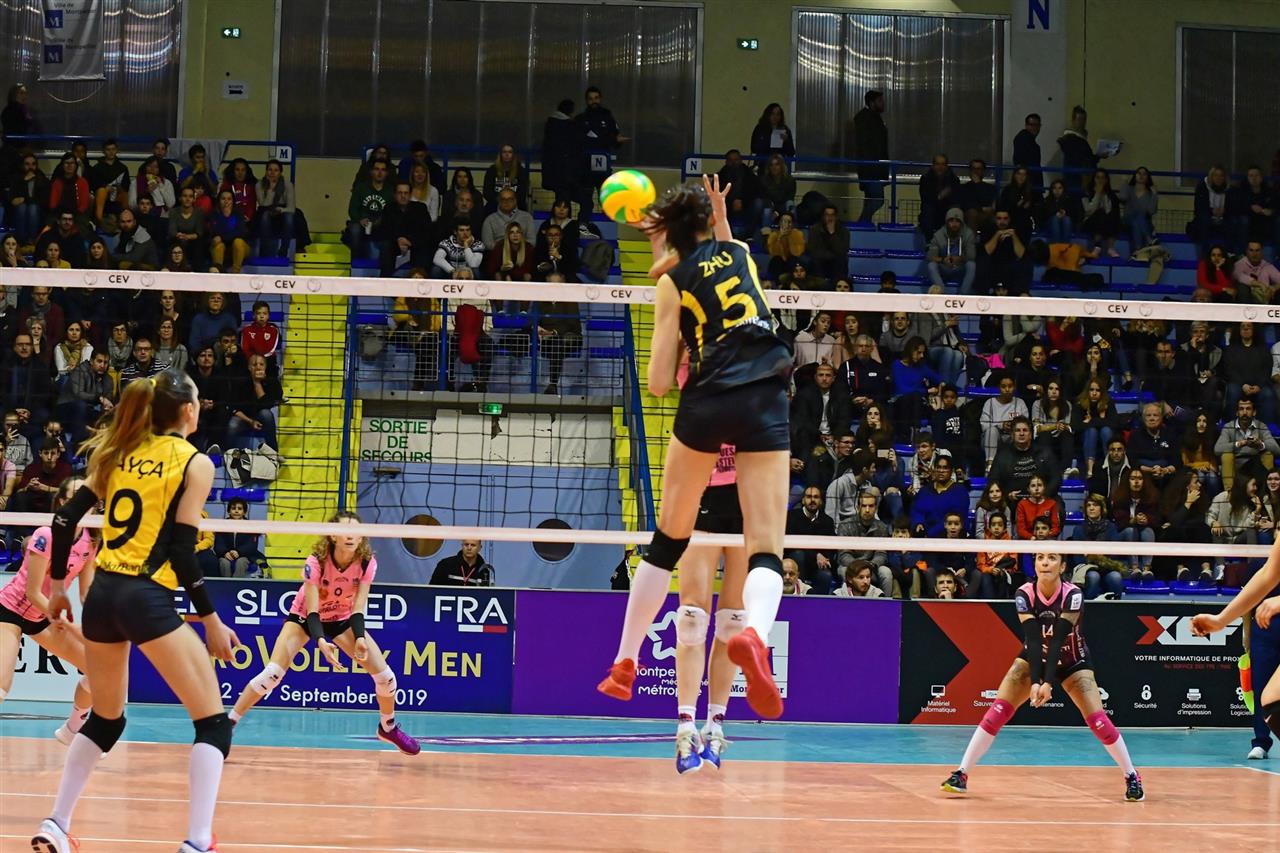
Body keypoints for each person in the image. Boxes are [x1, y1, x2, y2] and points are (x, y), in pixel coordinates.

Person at [598, 176, 791, 720]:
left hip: (709, 397)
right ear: (709, 224)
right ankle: (756, 635)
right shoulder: (742, 254)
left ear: (667, 233)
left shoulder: (672, 281)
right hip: (766, 393)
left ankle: (625, 661)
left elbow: (660, 382)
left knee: (667, 541)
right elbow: (718, 251)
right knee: (766, 548)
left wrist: (680, 323)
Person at [30, 370, 239, 853]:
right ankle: (198, 841)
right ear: (188, 410)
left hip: (102, 596)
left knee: (107, 719)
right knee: (212, 723)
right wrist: (210, 619)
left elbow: (64, 519)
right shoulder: (195, 462)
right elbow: (183, 552)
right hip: (145, 596)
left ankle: (56, 823)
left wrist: (58, 587)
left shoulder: (120, 451)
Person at [941, 551, 1143, 802]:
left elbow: (1057, 639)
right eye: (1040, 558)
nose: (1045, 562)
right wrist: (1036, 681)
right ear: (1035, 564)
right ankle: (961, 774)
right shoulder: (1024, 593)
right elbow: (1034, 640)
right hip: (1034, 657)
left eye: (1052, 558)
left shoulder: (1073, 594)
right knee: (997, 711)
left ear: (1063, 566)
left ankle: (1131, 775)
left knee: (1098, 722)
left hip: (1072, 661)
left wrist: (1047, 683)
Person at [230, 511, 420, 756]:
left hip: (341, 618)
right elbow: (312, 612)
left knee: (386, 678)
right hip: (304, 618)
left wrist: (360, 638)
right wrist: (320, 641)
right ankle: (228, 723)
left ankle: (388, 727)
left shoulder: (366, 563)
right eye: (345, 531)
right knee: (272, 674)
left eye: (355, 531)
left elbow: (358, 608)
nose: (351, 536)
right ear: (333, 536)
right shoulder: (316, 562)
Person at [0, 477, 97, 743]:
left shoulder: (90, 542)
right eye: (76, 496)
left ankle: (71, 730)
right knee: (1, 685)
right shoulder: (46, 534)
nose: (83, 502)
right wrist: (65, 622)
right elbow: (33, 593)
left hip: (42, 617)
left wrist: (101, 620)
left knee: (97, 670)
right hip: (10, 610)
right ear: (63, 502)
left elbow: (86, 593)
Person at [1192, 546, 1280, 763]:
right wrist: (1221, 620)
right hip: (1267, 631)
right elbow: (1268, 573)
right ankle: (1261, 742)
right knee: (1270, 699)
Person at [853, 90, 888, 222]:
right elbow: (866, 146)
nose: (883, 103)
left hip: (873, 167)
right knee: (878, 199)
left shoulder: (873, 118)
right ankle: (862, 223)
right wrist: (873, 166)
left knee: (870, 200)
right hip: (871, 168)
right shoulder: (865, 119)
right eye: (880, 101)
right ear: (872, 103)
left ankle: (864, 224)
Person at [430, 539, 494, 587]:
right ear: (462, 546)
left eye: (473, 545)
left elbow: (486, 594)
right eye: (466, 544)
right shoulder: (445, 565)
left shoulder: (484, 571)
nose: (469, 548)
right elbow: (432, 590)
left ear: (479, 548)